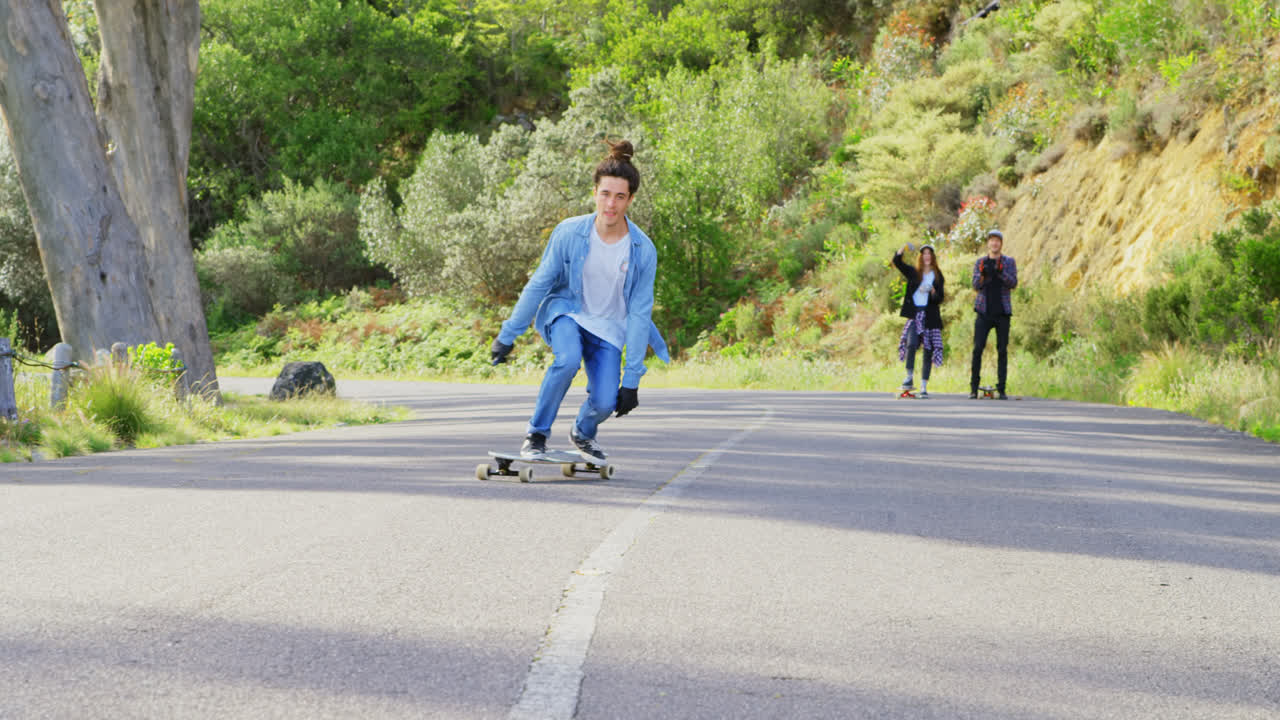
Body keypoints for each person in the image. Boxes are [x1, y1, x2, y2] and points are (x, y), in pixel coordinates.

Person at [489, 139, 669, 461]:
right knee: (567, 359)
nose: (610, 204)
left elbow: (640, 315)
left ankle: (583, 432)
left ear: (630, 199)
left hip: (609, 330)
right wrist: (508, 334)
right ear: (595, 192)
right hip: (567, 314)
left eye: (619, 197)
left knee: (604, 403)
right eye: (605, 194)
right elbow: (539, 284)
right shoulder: (569, 233)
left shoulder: (643, 250)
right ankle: (536, 433)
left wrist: (632, 379)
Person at [970, 229, 1018, 399]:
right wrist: (984, 274)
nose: (994, 243)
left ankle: (1002, 389)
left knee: (1002, 350)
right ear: (988, 243)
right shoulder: (980, 262)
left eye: (997, 240)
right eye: (991, 240)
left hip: (1002, 312)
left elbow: (1013, 283)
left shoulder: (1009, 262)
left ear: (1001, 243)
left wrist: (1000, 271)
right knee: (977, 349)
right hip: (984, 311)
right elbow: (975, 285)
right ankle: (973, 388)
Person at [893, 243, 945, 397]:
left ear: (933, 257)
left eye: (929, 253)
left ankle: (923, 386)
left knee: (928, 349)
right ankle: (909, 377)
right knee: (911, 343)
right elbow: (897, 263)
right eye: (924, 254)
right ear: (921, 257)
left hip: (930, 315)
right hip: (915, 314)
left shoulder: (938, 275)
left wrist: (933, 290)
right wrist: (901, 248)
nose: (927, 256)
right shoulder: (914, 273)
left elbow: (940, 298)